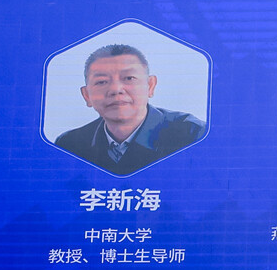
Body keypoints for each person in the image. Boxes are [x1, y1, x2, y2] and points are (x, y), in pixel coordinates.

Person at [54, 44, 204, 176]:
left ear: (150, 86)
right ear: (86, 95)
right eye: (102, 82)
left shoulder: (192, 135)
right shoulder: (69, 145)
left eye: (129, 78)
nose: (116, 89)